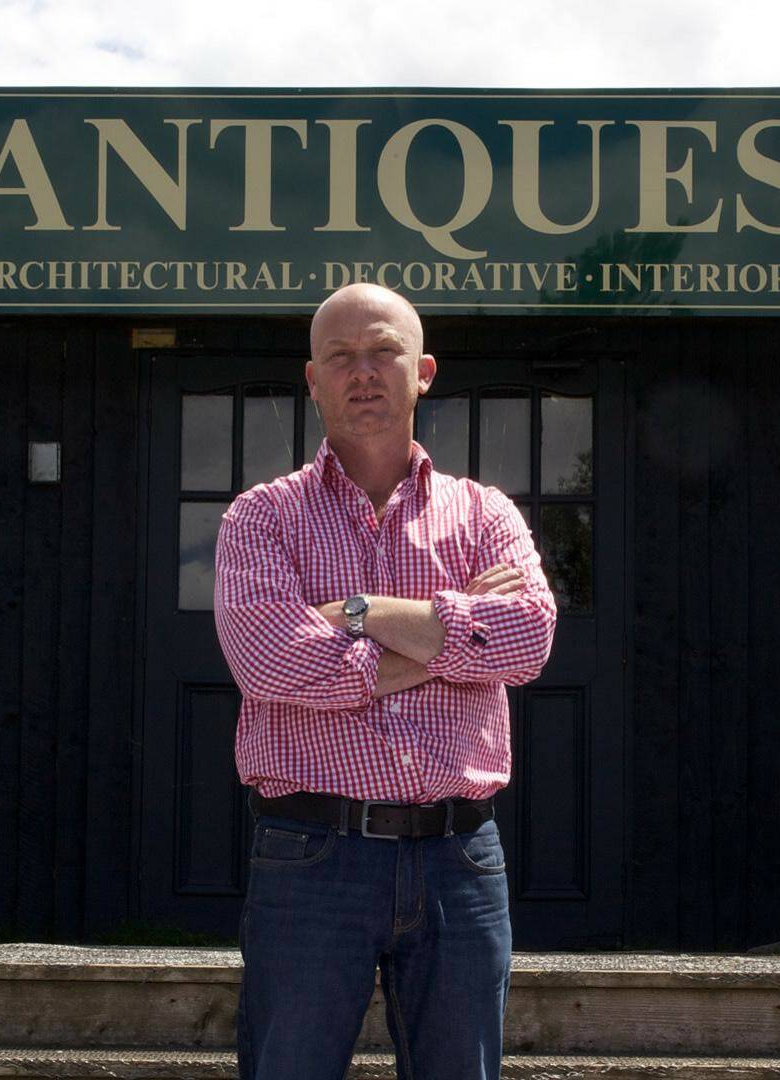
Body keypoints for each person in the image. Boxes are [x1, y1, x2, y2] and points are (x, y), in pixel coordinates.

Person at [212, 282, 558, 1080]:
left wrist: (359, 612)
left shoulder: (485, 513)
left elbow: (529, 639)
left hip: (460, 857)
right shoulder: (262, 518)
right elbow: (271, 660)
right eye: (340, 356)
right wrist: (453, 636)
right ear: (312, 379)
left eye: (383, 351)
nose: (361, 372)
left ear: (424, 371)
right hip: (310, 854)